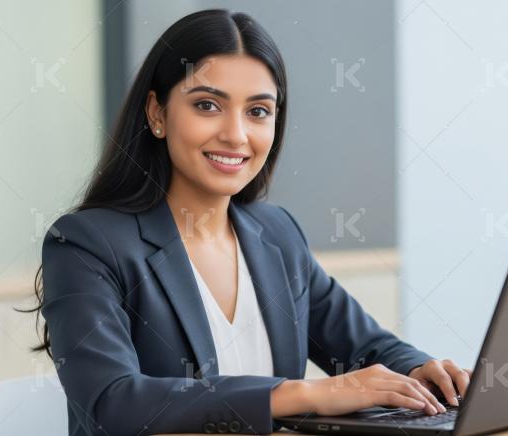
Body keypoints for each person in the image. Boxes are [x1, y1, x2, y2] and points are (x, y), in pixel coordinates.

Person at [27, 9, 471, 435]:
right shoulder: (86, 244)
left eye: (258, 111)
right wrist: (305, 394)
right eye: (207, 105)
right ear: (157, 114)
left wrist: (421, 370)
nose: (236, 135)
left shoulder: (276, 233)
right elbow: (115, 403)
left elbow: (366, 347)